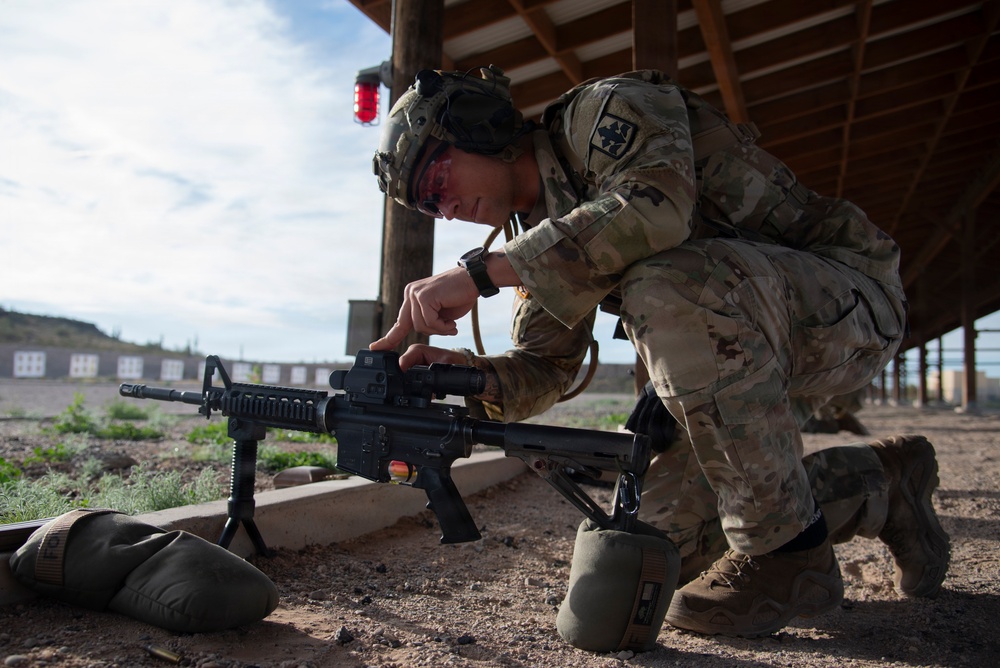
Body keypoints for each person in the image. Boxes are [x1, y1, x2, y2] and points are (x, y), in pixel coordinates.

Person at [370, 66, 950, 638]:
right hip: (744, 359)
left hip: (846, 306)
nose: (441, 207)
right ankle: (883, 483)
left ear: (477, 125)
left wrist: (483, 274)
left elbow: (655, 210)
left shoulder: (603, 113)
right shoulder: (535, 236)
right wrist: (467, 379)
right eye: (425, 206)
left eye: (434, 179)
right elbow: (547, 366)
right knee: (665, 543)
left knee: (668, 286)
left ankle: (787, 555)